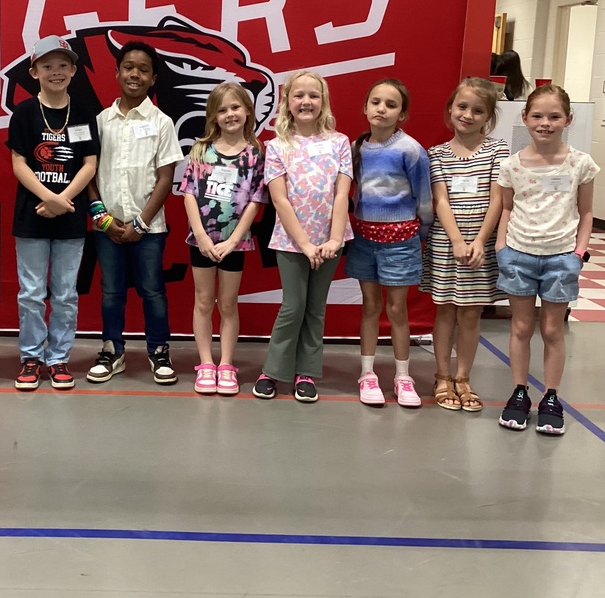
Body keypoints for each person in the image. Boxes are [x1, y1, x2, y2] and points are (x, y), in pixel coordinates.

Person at [496, 84, 599, 435]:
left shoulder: (581, 163)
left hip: (560, 257)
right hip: (519, 253)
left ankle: (551, 396)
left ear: (567, 119)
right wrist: (501, 248)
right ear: (524, 119)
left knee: (553, 329)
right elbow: (507, 209)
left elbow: (586, 213)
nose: (545, 123)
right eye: (537, 116)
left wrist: (578, 252)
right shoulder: (512, 165)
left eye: (554, 116)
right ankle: (519, 391)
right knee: (522, 327)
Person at [86, 42, 184, 385]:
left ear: (153, 78)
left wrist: (141, 223)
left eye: (143, 70)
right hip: (107, 228)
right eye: (128, 67)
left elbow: (166, 176)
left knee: (152, 290)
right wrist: (103, 218)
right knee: (111, 291)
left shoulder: (161, 122)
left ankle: (158, 351)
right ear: (116, 73)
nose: (135, 75)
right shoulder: (100, 122)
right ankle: (112, 350)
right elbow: (88, 173)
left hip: (149, 228)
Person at [252, 71, 352, 403]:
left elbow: (341, 194)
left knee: (315, 307)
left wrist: (334, 239)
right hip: (291, 241)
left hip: (329, 241)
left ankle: (305, 371)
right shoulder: (277, 145)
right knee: (293, 306)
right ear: (287, 102)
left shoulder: (339, 142)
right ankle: (273, 370)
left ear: (323, 101)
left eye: (313, 95)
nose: (306, 101)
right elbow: (279, 199)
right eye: (299, 95)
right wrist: (305, 244)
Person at [7, 36, 99, 391]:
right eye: (47, 66)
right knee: (30, 292)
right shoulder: (26, 112)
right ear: (34, 72)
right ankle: (31, 356)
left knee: (65, 293)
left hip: (71, 218)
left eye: (63, 65)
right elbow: (19, 162)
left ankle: (58, 357)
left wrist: (64, 200)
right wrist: (49, 196)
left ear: (74, 71)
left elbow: (89, 164)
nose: (56, 72)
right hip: (32, 215)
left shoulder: (84, 112)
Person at [419, 78, 507, 412]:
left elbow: (497, 199)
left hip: (479, 247)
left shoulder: (498, 151)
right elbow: (440, 200)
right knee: (444, 312)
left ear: (488, 116)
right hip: (446, 243)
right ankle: (442, 376)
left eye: (477, 110)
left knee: (470, 315)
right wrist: (457, 240)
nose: (468, 115)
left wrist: (480, 241)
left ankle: (463, 377)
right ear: (450, 110)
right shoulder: (436, 154)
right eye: (462, 107)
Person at [345, 78, 433, 408]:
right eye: (376, 102)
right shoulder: (357, 148)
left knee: (397, 309)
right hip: (365, 238)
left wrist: (417, 235)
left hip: (401, 241)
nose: (382, 109)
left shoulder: (410, 150)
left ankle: (402, 376)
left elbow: (424, 199)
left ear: (402, 114)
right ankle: (367, 373)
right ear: (365, 108)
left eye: (391, 105)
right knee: (370, 306)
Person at [180, 83, 267, 396]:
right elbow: (189, 194)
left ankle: (227, 363)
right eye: (222, 109)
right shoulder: (202, 150)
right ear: (213, 116)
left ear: (247, 111)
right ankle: (205, 363)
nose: (230, 114)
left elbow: (256, 200)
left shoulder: (256, 155)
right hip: (202, 241)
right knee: (203, 301)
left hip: (234, 243)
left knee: (228, 303)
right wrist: (201, 236)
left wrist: (233, 241)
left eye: (235, 107)